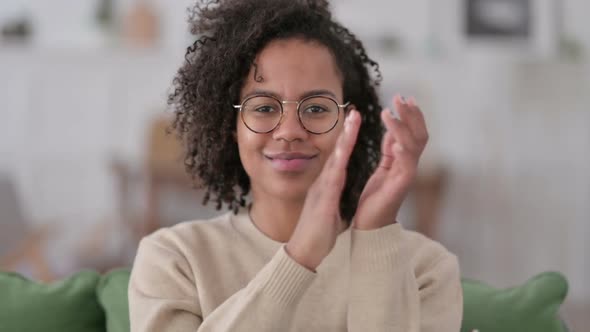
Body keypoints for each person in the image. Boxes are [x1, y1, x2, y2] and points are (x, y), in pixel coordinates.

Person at [128, 0, 463, 331]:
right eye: (263, 108)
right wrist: (299, 257)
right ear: (231, 125)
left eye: (317, 108)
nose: (289, 131)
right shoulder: (174, 260)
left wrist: (376, 236)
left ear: (351, 121)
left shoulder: (426, 270)